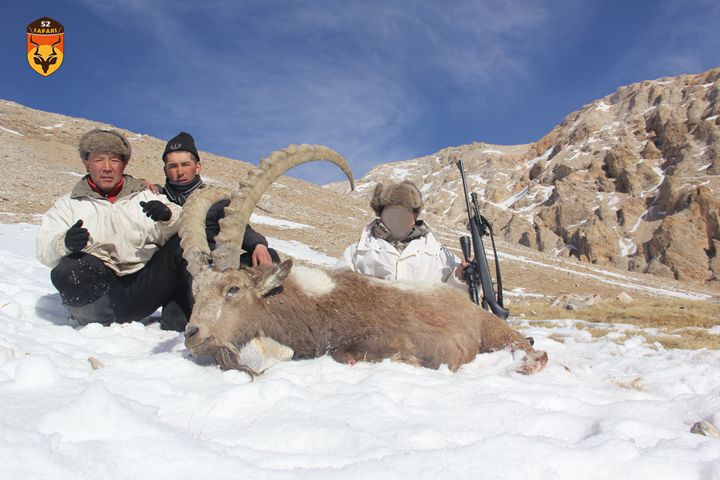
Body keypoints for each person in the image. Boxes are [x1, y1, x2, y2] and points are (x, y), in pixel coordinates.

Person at [36, 129, 187, 326]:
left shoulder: (145, 195)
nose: (107, 168)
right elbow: (44, 249)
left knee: (183, 244)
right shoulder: (68, 204)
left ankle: (184, 311)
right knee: (69, 269)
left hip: (145, 287)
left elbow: (181, 222)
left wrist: (168, 217)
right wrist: (64, 242)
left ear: (124, 164)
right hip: (103, 290)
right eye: (99, 160)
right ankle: (98, 322)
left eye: (114, 160)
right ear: (86, 163)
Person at [156, 131, 280, 330]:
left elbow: (239, 226)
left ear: (197, 167)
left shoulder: (215, 199)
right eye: (173, 166)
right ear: (165, 170)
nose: (179, 172)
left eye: (185, 164)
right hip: (182, 275)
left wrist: (258, 244)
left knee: (269, 259)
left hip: (219, 270)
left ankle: (260, 315)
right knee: (175, 323)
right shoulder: (158, 199)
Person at [335, 180, 467, 289]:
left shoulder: (441, 254)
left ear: (415, 215)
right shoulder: (356, 252)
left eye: (404, 212)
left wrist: (459, 277)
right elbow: (337, 288)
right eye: (392, 213)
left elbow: (455, 298)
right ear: (381, 215)